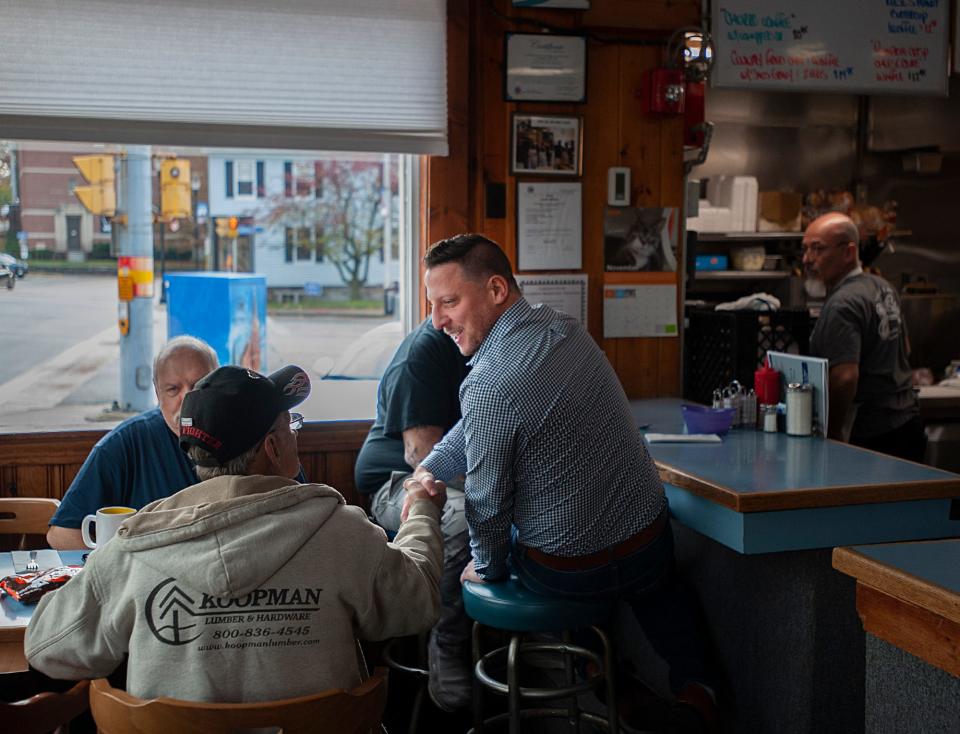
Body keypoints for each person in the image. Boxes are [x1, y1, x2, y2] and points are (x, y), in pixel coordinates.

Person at [403, 234, 717, 730]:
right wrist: (434, 464)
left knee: (498, 538)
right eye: (433, 305)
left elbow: (486, 501)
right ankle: (699, 691)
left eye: (449, 302)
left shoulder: (486, 383)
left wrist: (484, 566)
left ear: (497, 290)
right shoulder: (568, 330)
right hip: (647, 548)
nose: (437, 320)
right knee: (658, 582)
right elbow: (485, 421)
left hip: (567, 571)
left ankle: (590, 668)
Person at [26, 364, 445, 704]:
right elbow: (418, 600)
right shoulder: (346, 534)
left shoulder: (131, 551)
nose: (294, 433)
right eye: (290, 424)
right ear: (273, 447)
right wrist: (422, 508)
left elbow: (47, 648)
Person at [353, 316, 472, 711]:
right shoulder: (423, 355)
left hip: (462, 479)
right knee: (465, 519)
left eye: (451, 302)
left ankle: (540, 648)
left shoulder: (496, 349)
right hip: (399, 481)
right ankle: (446, 644)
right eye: (439, 303)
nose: (443, 314)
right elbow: (424, 460)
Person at [46, 336, 219, 550]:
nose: (187, 399)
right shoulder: (124, 444)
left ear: (217, 386)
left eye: (199, 386)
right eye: (173, 389)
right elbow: (62, 534)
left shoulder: (245, 438)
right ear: (157, 393)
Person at [803, 212, 925, 461]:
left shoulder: (842, 304)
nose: (807, 259)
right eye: (805, 249)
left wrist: (834, 430)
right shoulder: (882, 286)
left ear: (849, 252)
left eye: (818, 249)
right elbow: (907, 348)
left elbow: (845, 377)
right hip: (907, 423)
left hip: (873, 436)